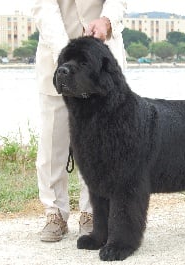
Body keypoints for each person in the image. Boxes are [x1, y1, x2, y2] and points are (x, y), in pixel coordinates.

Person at [32, 0, 127, 242]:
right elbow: (44, 7)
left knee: (102, 147)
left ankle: (92, 213)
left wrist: (107, 21)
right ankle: (55, 213)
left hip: (101, 63)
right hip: (57, 60)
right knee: (52, 143)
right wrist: (69, 55)